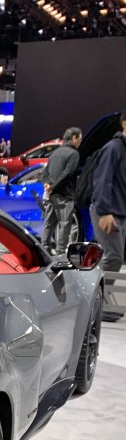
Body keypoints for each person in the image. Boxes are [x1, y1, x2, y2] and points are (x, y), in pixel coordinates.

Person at [91, 112, 126, 321]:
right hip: (107, 212)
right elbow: (103, 180)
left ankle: (99, 300)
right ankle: (92, 300)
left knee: (114, 257)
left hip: (119, 212)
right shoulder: (113, 148)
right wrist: (104, 212)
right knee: (114, 257)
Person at [39, 127, 82, 253]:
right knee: (64, 224)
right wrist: (53, 187)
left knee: (49, 223)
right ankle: (60, 252)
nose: (80, 142)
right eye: (79, 139)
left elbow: (45, 172)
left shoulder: (55, 153)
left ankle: (44, 249)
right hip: (64, 195)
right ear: (73, 138)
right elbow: (68, 173)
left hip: (51, 195)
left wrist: (47, 185)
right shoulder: (74, 154)